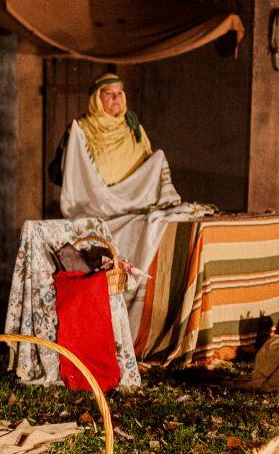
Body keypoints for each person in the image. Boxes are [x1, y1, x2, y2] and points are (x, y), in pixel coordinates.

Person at [50, 73, 211, 332]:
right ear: (97, 99)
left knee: (158, 158)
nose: (116, 98)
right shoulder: (82, 129)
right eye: (109, 94)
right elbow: (73, 172)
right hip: (99, 202)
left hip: (135, 200)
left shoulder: (132, 126)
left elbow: (147, 160)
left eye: (119, 93)